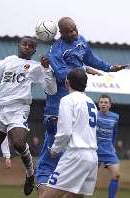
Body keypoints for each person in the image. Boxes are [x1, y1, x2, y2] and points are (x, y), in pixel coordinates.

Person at [35, 17, 126, 198]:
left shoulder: (82, 42)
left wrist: (108, 67)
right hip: (89, 156)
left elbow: (91, 58)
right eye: (69, 31)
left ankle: (42, 180)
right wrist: (84, 69)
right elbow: (60, 75)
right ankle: (41, 177)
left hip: (74, 152)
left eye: (75, 29)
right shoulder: (55, 52)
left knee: (50, 159)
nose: (74, 33)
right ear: (60, 33)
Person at [0, 36, 57, 198]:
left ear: (34, 50)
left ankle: (30, 173)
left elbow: (51, 90)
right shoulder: (8, 61)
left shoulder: (37, 67)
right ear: (19, 45)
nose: (27, 47)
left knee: (18, 142)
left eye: (31, 46)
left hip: (18, 110)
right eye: (25, 44)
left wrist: (47, 69)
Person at [41, 68, 98, 198]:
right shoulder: (91, 103)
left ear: (67, 82)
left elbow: (65, 132)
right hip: (92, 158)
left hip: (75, 155)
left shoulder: (68, 100)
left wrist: (55, 150)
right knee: (75, 196)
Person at [97, 94, 120, 198]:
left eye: (106, 102)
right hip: (94, 151)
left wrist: (113, 145)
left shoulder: (115, 117)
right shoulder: (93, 115)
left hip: (109, 151)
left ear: (110, 105)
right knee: (86, 178)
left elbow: (114, 132)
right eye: (101, 102)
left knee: (116, 174)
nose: (103, 104)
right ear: (98, 104)